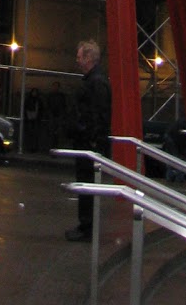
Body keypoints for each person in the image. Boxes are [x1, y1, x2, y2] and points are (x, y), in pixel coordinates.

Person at [65, 39, 112, 242]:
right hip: (87, 141)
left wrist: (91, 137)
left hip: (89, 143)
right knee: (85, 184)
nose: (77, 60)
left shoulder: (97, 82)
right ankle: (85, 225)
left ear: (88, 58)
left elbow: (99, 114)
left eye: (79, 56)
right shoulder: (95, 80)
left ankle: (87, 227)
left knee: (86, 184)